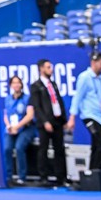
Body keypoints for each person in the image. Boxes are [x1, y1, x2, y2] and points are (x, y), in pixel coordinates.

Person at [30, 58, 71, 187]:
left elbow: (59, 102)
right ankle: (44, 177)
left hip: (57, 120)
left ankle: (61, 177)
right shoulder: (36, 86)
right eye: (48, 67)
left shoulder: (53, 84)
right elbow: (37, 106)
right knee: (44, 149)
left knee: (59, 149)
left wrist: (64, 119)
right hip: (45, 122)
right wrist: (45, 121)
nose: (51, 70)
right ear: (41, 69)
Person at [70, 52, 101, 173]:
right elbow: (78, 96)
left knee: (96, 146)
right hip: (89, 116)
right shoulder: (84, 77)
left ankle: (92, 173)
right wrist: (72, 117)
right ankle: (95, 172)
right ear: (93, 63)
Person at [2, 73, 36, 184]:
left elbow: (29, 115)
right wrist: (9, 126)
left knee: (19, 147)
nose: (16, 85)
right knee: (7, 148)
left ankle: (22, 177)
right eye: (14, 83)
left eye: (18, 83)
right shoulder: (7, 99)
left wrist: (17, 126)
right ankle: (8, 176)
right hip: (11, 128)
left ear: (21, 85)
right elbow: (6, 115)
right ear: (10, 85)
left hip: (25, 128)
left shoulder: (27, 98)